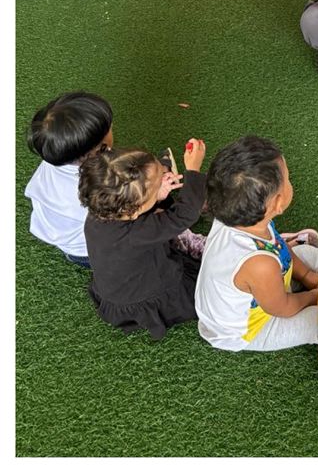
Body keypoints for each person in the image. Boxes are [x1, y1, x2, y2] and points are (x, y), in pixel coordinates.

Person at [195, 136, 318, 352]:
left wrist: (308, 276)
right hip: (249, 329)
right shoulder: (260, 264)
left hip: (264, 284)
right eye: (288, 179)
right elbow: (282, 307)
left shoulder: (235, 215)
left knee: (305, 252)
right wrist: (314, 295)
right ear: (278, 203)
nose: (290, 182)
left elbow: (278, 245)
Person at [79, 138, 209, 339]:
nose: (163, 177)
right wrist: (193, 170)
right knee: (206, 287)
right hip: (148, 293)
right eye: (158, 183)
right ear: (134, 210)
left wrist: (156, 195)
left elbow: (135, 215)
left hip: (118, 288)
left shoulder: (99, 213)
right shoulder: (138, 233)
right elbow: (184, 215)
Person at [25, 90, 114, 267]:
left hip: (65, 239)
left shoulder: (57, 157)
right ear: (98, 150)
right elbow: (121, 215)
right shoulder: (98, 185)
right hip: (89, 252)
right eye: (110, 128)